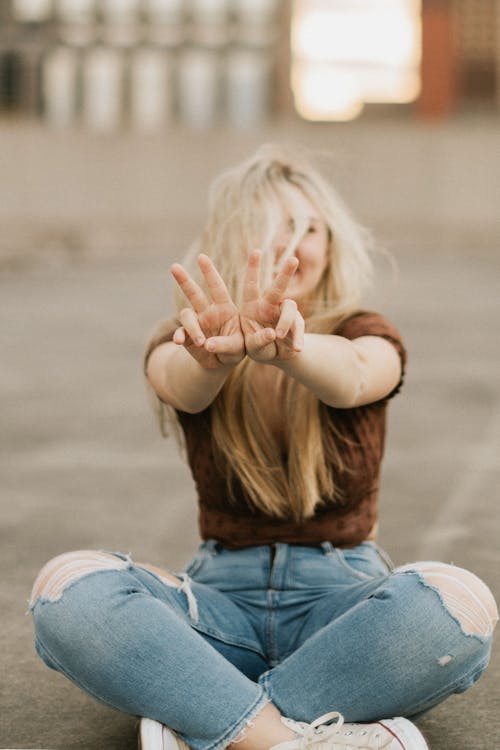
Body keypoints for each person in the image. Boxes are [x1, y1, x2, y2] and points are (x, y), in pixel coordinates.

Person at [29, 144, 498, 750]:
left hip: (345, 610)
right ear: (234, 236)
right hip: (218, 609)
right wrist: (209, 357)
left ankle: (212, 718)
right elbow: (182, 385)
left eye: (310, 227)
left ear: (331, 244)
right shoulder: (190, 336)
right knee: (68, 588)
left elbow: (356, 373)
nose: (294, 244)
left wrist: (295, 349)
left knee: (458, 602)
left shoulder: (364, 332)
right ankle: (291, 737)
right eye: (273, 226)